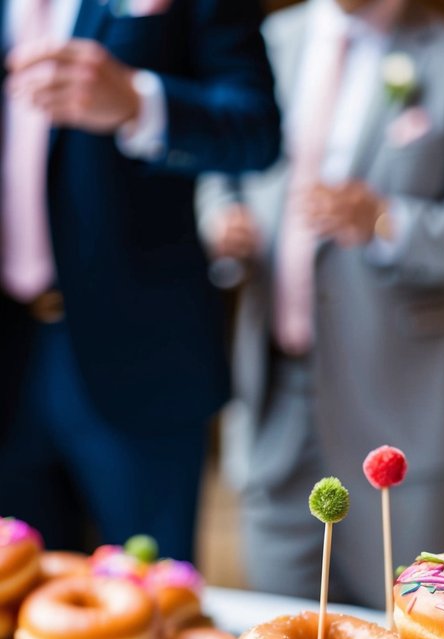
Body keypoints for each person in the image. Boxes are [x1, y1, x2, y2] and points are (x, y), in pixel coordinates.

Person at [197, 0, 444, 609]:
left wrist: (388, 221)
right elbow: (221, 159)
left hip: (397, 398)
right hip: (274, 387)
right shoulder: (266, 39)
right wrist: (219, 217)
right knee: (281, 630)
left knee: (405, 626)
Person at [0, 0, 281, 561]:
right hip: (8, 354)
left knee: (152, 604)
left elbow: (257, 129)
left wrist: (136, 102)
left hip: (138, 352)